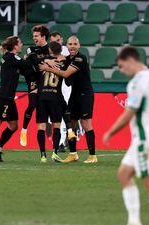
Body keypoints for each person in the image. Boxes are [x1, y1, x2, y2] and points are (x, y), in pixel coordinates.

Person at [103, 47, 149, 225]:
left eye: (121, 66)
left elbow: (129, 114)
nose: (121, 70)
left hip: (144, 139)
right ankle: (134, 220)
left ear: (131, 60)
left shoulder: (136, 83)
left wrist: (110, 132)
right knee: (124, 174)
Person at [39, 36, 97, 164]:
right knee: (71, 124)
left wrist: (48, 68)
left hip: (85, 95)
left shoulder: (80, 58)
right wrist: (52, 61)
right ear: (67, 45)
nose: (72, 46)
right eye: (70, 44)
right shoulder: (67, 59)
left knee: (86, 124)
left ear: (79, 45)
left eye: (75, 44)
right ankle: (73, 154)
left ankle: (92, 155)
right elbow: (64, 74)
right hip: (74, 95)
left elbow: (65, 74)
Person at [35, 41, 67, 163]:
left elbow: (33, 61)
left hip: (42, 96)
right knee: (57, 125)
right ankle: (55, 152)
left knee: (41, 126)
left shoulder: (43, 61)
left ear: (49, 50)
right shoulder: (63, 62)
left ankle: (43, 155)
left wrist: (46, 64)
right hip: (56, 96)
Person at [20, 25, 50, 147]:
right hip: (33, 80)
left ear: (43, 37)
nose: (34, 38)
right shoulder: (30, 49)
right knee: (32, 105)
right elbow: (30, 65)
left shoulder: (50, 49)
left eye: (36, 36)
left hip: (46, 81)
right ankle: (24, 130)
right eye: (33, 36)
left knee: (45, 110)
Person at [49, 31, 74, 152]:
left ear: (61, 40)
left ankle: (62, 142)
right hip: (54, 87)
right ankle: (64, 140)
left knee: (65, 113)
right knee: (56, 116)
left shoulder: (65, 51)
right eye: (54, 41)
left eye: (58, 40)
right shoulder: (49, 53)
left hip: (66, 87)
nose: (56, 43)